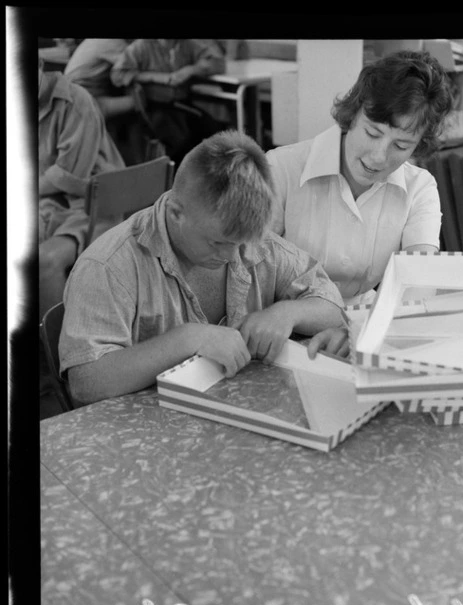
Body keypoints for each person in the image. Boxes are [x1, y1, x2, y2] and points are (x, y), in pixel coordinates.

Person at [59, 130, 349, 406]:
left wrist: (287, 313)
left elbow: (333, 307)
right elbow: (86, 382)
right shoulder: (107, 266)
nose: (232, 255)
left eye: (241, 242)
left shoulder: (252, 244)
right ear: (176, 213)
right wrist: (188, 339)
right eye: (217, 242)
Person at [266, 50, 454, 306]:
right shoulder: (281, 168)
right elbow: (249, 272)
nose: (378, 157)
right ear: (353, 113)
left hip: (361, 321)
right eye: (372, 133)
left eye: (401, 146)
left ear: (419, 145)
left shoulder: (419, 188)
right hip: (281, 320)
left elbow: (418, 285)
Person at [38, 58, 126, 321]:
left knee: (45, 261)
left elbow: (66, 178)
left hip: (91, 207)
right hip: (45, 203)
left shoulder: (76, 101)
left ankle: (57, 352)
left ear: (39, 64)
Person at [110, 38, 227, 165]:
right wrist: (156, 77)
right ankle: (175, 178)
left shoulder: (187, 44)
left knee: (212, 130)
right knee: (179, 139)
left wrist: (190, 70)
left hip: (180, 104)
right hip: (152, 105)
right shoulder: (142, 46)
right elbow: (118, 74)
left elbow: (218, 64)